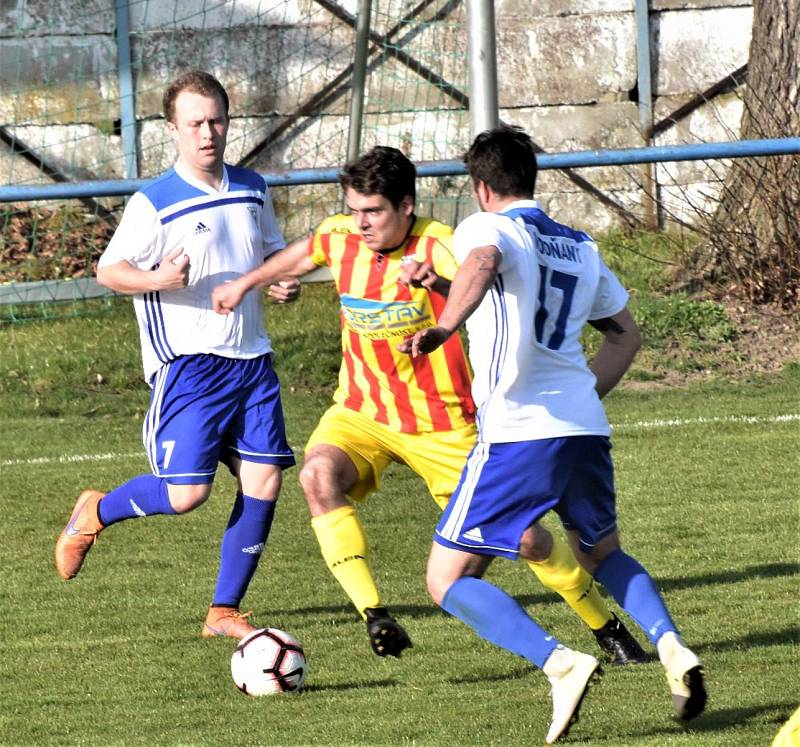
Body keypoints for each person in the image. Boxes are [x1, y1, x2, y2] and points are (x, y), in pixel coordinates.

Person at [211, 145, 645, 664]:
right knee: (316, 475)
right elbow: (305, 253)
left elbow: (484, 280)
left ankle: (607, 628)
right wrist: (247, 283)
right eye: (354, 209)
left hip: (443, 423)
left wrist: (437, 287)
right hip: (361, 412)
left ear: (407, 206)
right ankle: (374, 615)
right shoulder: (340, 236)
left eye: (374, 211)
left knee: (526, 538)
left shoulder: (442, 245)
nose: (361, 222)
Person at [399, 124, 707, 743]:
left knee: (447, 580)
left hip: (518, 432)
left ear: (481, 187)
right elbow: (624, 335)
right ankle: (672, 647)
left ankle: (559, 663)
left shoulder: (487, 229)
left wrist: (442, 327)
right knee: (601, 552)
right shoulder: (579, 245)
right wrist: (442, 291)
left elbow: (485, 264)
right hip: (582, 427)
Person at [54, 70, 298, 640]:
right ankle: (95, 511)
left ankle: (223, 609)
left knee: (264, 482)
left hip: (253, 360)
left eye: (216, 121)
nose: (208, 133)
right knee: (187, 494)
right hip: (190, 365)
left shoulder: (253, 187)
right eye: (195, 124)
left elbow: (273, 254)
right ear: (174, 130)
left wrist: (286, 282)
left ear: (227, 121)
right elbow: (108, 270)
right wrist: (158, 277)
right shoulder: (155, 201)